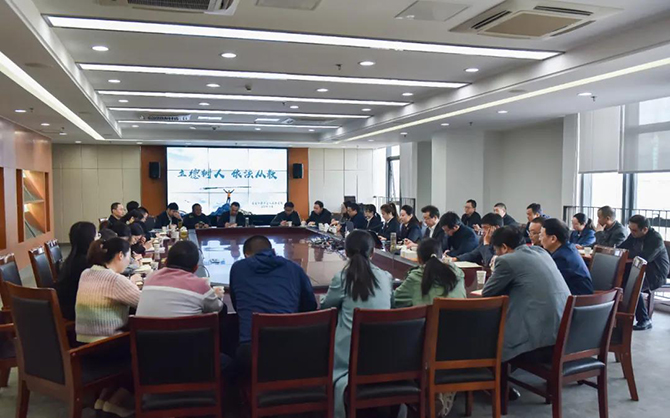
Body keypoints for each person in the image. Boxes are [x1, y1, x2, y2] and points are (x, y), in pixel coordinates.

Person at [320, 230, 393, 418]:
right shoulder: (386, 277)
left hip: (349, 356)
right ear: (373, 252)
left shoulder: (342, 278)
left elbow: (325, 307)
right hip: (386, 354)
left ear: (346, 252)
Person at [482, 226, 570, 363]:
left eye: (496, 250)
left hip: (538, 342)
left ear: (504, 247)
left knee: (488, 336)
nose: (497, 254)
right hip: (564, 335)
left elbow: (487, 293)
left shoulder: (507, 260)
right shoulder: (542, 252)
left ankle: (492, 371)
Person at [230, 235, 317, 344]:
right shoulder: (294, 268)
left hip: (252, 345)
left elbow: (236, 305)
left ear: (246, 255)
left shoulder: (238, 268)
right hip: (291, 344)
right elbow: (310, 305)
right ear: (273, 251)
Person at [75, 238, 142, 343]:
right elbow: (143, 303)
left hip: (81, 341)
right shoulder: (115, 280)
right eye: (128, 257)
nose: (129, 262)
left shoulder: (86, 273)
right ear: (120, 255)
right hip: (106, 343)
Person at [136, 241, 224, 317]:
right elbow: (217, 308)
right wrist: (217, 296)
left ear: (166, 262)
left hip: (145, 331)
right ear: (195, 268)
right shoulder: (201, 285)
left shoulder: (150, 278)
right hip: (187, 332)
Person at [619, 215, 670, 331]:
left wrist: (628, 253)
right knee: (618, 279)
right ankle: (621, 316)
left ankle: (644, 319)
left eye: (634, 230)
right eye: (630, 229)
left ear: (645, 229)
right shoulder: (634, 235)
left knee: (632, 286)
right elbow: (622, 248)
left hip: (655, 274)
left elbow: (645, 257)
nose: (631, 232)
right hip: (638, 270)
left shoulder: (655, 239)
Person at [394, 238, 466, 307]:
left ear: (419, 259)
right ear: (442, 256)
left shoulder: (415, 277)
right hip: (460, 315)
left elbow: (393, 300)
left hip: (429, 316)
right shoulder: (458, 273)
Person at [540, 219, 594, 295]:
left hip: (578, 299)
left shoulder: (561, 258)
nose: (540, 239)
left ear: (553, 239)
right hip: (579, 296)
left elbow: (550, 284)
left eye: (542, 235)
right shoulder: (569, 248)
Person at [56, 222, 97, 321]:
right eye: (97, 236)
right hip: (78, 312)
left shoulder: (71, 259)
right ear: (90, 239)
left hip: (68, 306)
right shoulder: (85, 264)